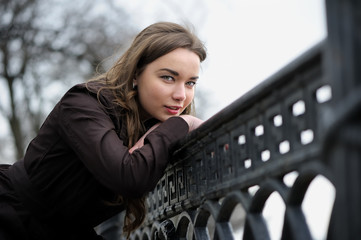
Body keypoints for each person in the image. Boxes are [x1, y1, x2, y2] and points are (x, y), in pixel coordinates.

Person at [0, 22, 207, 239]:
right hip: (12, 216)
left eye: (190, 83)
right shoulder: (83, 103)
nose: (181, 95)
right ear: (136, 74)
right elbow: (128, 177)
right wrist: (184, 123)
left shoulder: (154, 128)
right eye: (168, 77)